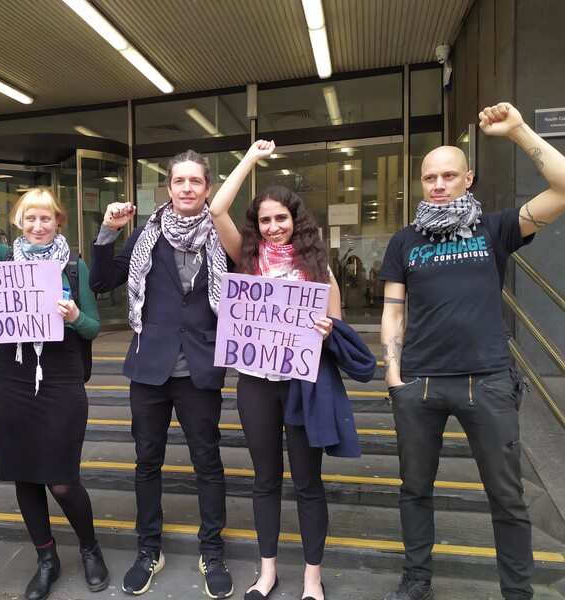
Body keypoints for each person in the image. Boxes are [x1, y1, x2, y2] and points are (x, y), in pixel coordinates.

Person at [380, 102, 565, 600]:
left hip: (487, 380)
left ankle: (517, 592)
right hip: (419, 382)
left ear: (468, 179)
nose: (437, 185)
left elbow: (563, 189)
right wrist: (393, 372)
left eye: (448, 176)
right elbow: (394, 310)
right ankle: (417, 578)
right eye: (429, 178)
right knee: (414, 490)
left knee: (507, 497)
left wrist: (520, 130)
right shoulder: (404, 241)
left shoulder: (495, 229)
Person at [0, 128, 108, 600]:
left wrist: (75, 317)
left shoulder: (75, 268)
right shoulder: (1, 257)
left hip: (60, 377)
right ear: (18, 221)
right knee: (24, 474)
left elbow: (94, 328)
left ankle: (90, 547)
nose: (38, 225)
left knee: (62, 479)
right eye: (30, 218)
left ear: (58, 221)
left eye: (46, 218)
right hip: (11, 378)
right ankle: (46, 557)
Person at [208, 140, 363, 600]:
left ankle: (312, 577)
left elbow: (336, 330)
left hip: (302, 386)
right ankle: (268, 571)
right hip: (256, 384)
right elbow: (217, 210)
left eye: (281, 218)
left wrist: (325, 328)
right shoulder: (246, 260)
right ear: (255, 226)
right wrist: (251, 159)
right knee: (265, 480)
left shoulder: (319, 268)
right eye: (265, 219)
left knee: (309, 483)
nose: (273, 227)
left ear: (296, 221)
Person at [89, 150, 234, 598]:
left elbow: (254, 287)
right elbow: (101, 282)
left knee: (207, 464)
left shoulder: (224, 237)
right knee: (146, 464)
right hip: (150, 368)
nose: (187, 188)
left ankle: (212, 551)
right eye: (179, 181)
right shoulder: (145, 235)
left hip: (201, 368)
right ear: (168, 189)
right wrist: (107, 233)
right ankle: (148, 549)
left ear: (207, 189)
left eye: (196, 181)